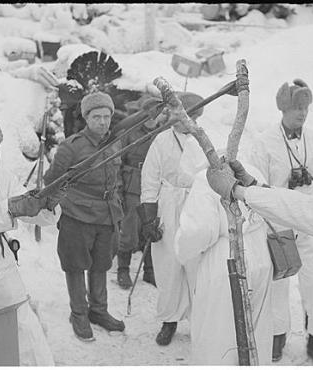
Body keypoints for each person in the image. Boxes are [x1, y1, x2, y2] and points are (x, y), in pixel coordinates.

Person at [206, 125, 313, 365]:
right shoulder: (268, 140)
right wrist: (254, 184)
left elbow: (308, 210)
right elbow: (302, 206)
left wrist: (239, 191)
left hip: (309, 227)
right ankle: (280, 334)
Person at [248, 79, 313, 365]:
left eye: (306, 107)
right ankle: (278, 335)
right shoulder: (265, 143)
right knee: (279, 283)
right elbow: (257, 187)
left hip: (312, 222)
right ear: (283, 109)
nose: (302, 113)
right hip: (280, 225)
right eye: (297, 107)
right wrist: (265, 225)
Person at [44, 91, 125, 342]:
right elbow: (52, 181)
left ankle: (98, 311)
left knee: (101, 264)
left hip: (107, 214)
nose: (102, 122)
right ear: (86, 118)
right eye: (96, 116)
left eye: (106, 116)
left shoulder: (115, 142)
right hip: (77, 215)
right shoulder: (72, 146)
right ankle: (78, 313)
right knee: (76, 265)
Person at [174, 161, 273, 365]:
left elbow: (198, 231)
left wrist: (182, 252)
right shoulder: (251, 170)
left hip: (225, 258)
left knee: (218, 335)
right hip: (260, 255)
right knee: (257, 331)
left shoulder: (207, 178)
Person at [0, 119, 60, 365]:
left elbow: (25, 207)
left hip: (0, 262)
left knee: (24, 325)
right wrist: (11, 208)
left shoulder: (4, 176)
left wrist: (47, 204)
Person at [140, 91, 204, 346]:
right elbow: (150, 179)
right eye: (176, 114)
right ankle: (169, 320)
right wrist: (149, 217)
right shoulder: (161, 141)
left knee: (198, 265)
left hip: (197, 206)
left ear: (196, 115)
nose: (179, 119)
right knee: (167, 264)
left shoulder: (204, 139)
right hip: (168, 203)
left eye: (186, 114)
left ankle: (201, 319)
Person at [116, 97, 163, 289]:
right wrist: (119, 189)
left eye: (157, 114)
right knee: (129, 229)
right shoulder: (129, 133)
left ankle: (149, 271)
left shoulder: (164, 134)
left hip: (157, 186)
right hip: (133, 186)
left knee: (153, 227)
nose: (152, 119)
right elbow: (117, 162)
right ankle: (123, 269)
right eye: (149, 114)